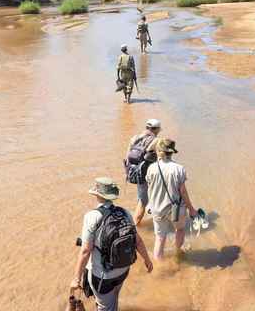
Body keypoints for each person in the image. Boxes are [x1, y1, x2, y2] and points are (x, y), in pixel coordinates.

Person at [71, 177, 153, 311]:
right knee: (114, 297)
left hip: (102, 276)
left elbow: (86, 251)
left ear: (97, 195)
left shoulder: (91, 216)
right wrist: (147, 260)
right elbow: (137, 240)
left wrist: (76, 279)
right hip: (123, 270)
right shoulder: (125, 212)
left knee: (105, 307)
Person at [145, 138, 197, 260]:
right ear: (172, 152)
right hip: (176, 208)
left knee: (159, 238)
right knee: (179, 229)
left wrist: (149, 205)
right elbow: (183, 192)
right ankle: (177, 254)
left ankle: (158, 268)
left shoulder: (151, 168)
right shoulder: (179, 168)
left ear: (159, 151)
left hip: (157, 208)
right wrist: (192, 209)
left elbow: (150, 189)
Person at [124, 119, 162, 226]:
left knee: (142, 197)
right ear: (157, 129)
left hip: (134, 172)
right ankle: (134, 227)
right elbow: (161, 160)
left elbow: (127, 158)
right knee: (143, 202)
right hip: (147, 175)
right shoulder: (157, 141)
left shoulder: (134, 138)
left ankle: (149, 211)